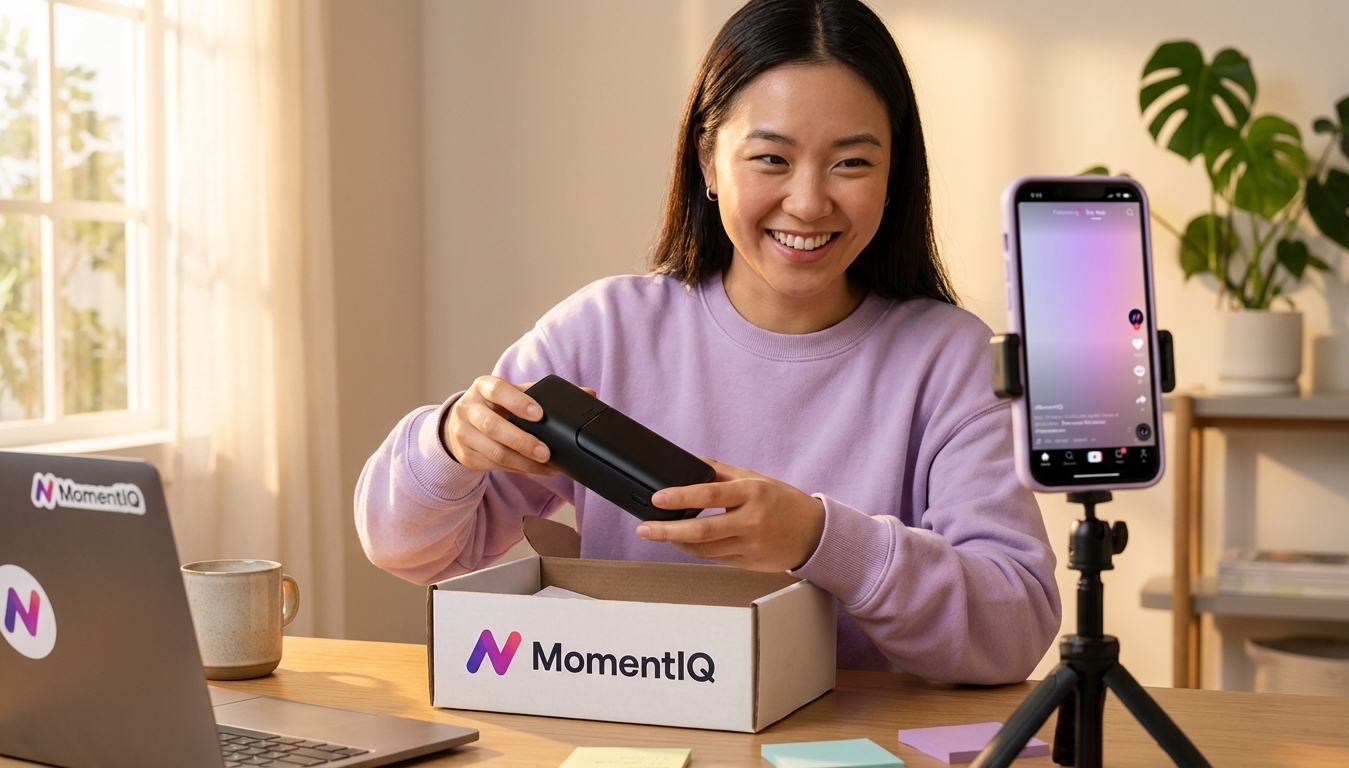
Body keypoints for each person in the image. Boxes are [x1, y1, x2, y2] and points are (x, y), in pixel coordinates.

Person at [356, 0, 1060, 685]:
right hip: (632, 732)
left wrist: (821, 540)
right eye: (771, 159)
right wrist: (447, 442)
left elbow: (1013, 629)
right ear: (708, 163)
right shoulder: (603, 331)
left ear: (894, 172)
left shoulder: (950, 358)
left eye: (851, 163)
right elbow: (408, 551)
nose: (809, 203)